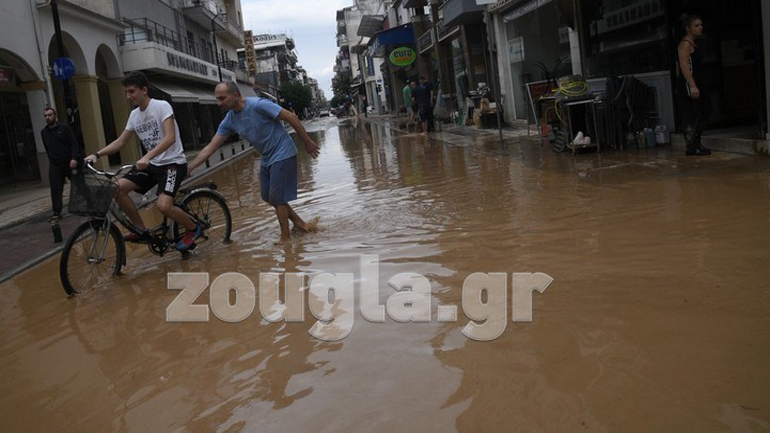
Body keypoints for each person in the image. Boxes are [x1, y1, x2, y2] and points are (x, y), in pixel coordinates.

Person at [188, 81, 320, 244]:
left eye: (222, 98)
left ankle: (285, 239)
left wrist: (307, 142)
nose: (219, 103)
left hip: (283, 152)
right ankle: (300, 224)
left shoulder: (258, 105)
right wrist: (190, 168)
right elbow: (210, 147)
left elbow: (290, 116)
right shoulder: (229, 120)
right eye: (217, 99)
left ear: (235, 95)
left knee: (277, 197)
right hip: (266, 157)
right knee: (268, 196)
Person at [84, 71, 201, 251]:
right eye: (126, 92)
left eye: (131, 91)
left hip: (173, 164)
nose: (128, 96)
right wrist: (97, 154)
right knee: (116, 188)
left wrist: (147, 156)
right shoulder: (134, 116)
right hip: (153, 165)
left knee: (163, 206)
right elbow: (121, 141)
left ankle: (193, 228)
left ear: (144, 90)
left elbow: (170, 137)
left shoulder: (161, 106)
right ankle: (140, 229)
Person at [676, 14, 711, 156]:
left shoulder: (694, 43)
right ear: (688, 28)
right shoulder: (685, 44)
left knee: (703, 111)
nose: (700, 27)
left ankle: (696, 143)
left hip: (697, 81)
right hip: (690, 83)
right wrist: (692, 85)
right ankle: (692, 145)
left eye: (701, 25)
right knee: (695, 112)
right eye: (696, 25)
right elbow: (683, 66)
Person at [41, 107, 80, 220]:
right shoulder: (44, 132)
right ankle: (57, 212)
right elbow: (47, 148)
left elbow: (73, 143)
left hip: (68, 162)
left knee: (79, 183)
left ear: (55, 115)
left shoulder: (64, 127)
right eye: (45, 116)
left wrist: (74, 158)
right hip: (55, 164)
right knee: (55, 188)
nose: (48, 117)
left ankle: (90, 203)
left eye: (50, 115)